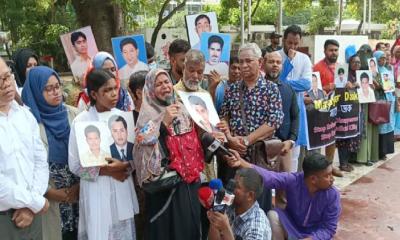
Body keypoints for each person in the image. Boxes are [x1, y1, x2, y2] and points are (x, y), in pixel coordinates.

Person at [133, 69, 205, 240]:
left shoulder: (181, 108)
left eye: (167, 82)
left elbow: (194, 139)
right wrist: (163, 123)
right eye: (159, 84)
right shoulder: (147, 114)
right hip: (166, 185)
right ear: (150, 89)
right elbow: (142, 142)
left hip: (189, 182)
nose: (165, 87)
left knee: (189, 226)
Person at [68, 69, 139, 240]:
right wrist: (105, 171)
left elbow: (134, 156)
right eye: (106, 90)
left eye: (115, 88)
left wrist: (126, 166)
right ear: (93, 94)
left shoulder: (123, 118)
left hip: (121, 186)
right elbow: (75, 167)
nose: (114, 94)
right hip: (96, 191)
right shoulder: (81, 122)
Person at [220, 43, 284, 213]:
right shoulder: (231, 89)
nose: (244, 65)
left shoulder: (271, 89)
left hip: (257, 159)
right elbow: (224, 116)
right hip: (234, 156)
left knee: (258, 204)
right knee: (230, 203)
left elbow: (274, 121)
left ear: (260, 62)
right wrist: (230, 138)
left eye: (249, 61)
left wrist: (247, 140)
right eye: (241, 62)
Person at [226, 151, 341, 240]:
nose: (332, 179)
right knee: (272, 215)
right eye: (328, 175)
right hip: (292, 227)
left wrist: (311, 238)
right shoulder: (294, 180)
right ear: (313, 179)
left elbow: (328, 229)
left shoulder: (332, 195)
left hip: (315, 234)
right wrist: (241, 162)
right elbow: (268, 177)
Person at [21, 66, 80, 240]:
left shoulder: (75, 115)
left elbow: (88, 157)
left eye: (57, 86)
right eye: (48, 89)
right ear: (36, 92)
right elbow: (26, 167)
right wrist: (48, 192)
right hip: (49, 201)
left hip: (78, 196)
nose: (56, 92)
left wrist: (81, 185)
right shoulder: (29, 124)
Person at [0, 57, 50, 239]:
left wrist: (31, 205)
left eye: (7, 77)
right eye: (0, 80)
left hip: (32, 215)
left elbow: (40, 160)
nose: (6, 84)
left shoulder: (24, 114)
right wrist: (34, 201)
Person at [207, 168, 271, 240]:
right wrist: (214, 221)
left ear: (250, 195)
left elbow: (225, 228)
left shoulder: (258, 227)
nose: (230, 188)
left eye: (236, 186)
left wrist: (225, 228)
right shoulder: (229, 204)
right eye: (232, 183)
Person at [264, 51, 299, 173]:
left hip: (284, 146)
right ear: (263, 64)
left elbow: (295, 116)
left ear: (282, 66)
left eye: (278, 62)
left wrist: (291, 140)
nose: (275, 65)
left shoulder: (288, 89)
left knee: (284, 187)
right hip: (261, 147)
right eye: (271, 62)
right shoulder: (256, 89)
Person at [312, 39, 342, 176]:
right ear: (325, 51)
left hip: (337, 106)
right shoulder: (317, 67)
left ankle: (329, 167)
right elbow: (313, 91)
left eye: (336, 50)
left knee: (332, 137)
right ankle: (318, 169)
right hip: (321, 108)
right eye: (331, 50)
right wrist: (326, 87)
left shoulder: (341, 67)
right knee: (320, 137)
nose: (333, 53)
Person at [335, 48, 362, 171]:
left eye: (358, 62)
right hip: (343, 110)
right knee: (343, 137)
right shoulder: (344, 73)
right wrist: (347, 86)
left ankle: (346, 161)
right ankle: (342, 163)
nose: (357, 64)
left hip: (354, 111)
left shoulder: (360, 75)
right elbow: (338, 87)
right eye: (354, 62)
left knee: (351, 136)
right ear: (349, 63)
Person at [356, 45, 380, 164]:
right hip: (360, 103)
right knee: (362, 127)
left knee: (369, 127)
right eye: (363, 52)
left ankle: (369, 155)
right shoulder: (356, 65)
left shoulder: (373, 67)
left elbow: (377, 83)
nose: (366, 54)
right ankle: (362, 157)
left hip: (370, 100)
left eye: (368, 52)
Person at [374, 50, 395, 160]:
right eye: (380, 59)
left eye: (384, 58)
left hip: (389, 100)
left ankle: (386, 150)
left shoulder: (387, 70)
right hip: (380, 102)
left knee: (388, 124)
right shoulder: (374, 72)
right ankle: (380, 152)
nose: (383, 60)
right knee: (381, 125)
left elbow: (390, 85)